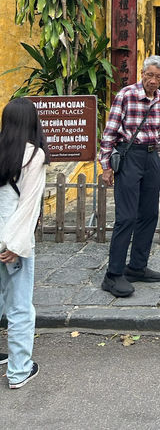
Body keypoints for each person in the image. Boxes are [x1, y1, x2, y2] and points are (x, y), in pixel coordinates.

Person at [99, 55, 160, 298]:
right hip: (129, 156)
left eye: (157, 77)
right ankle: (113, 274)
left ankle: (137, 267)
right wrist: (106, 166)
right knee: (126, 217)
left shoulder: (159, 97)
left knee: (149, 214)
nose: (152, 81)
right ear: (141, 73)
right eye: (149, 75)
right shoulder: (126, 95)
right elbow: (109, 132)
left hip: (150, 157)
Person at [0, 98, 49, 389]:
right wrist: (15, 244)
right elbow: (28, 206)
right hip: (12, 242)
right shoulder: (34, 155)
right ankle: (19, 371)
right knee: (19, 307)